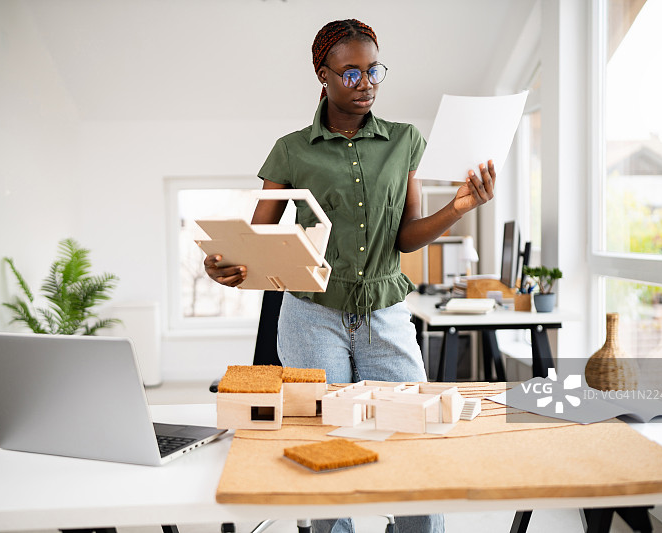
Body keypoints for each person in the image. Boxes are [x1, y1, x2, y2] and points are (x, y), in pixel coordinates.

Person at [205, 18, 495, 533]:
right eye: (351, 74)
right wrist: (227, 264)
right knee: (323, 450)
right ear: (324, 75)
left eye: (374, 71)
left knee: (414, 441)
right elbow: (257, 241)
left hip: (385, 313)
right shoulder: (292, 150)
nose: (366, 85)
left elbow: (405, 236)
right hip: (310, 317)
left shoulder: (404, 140)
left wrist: (457, 207)